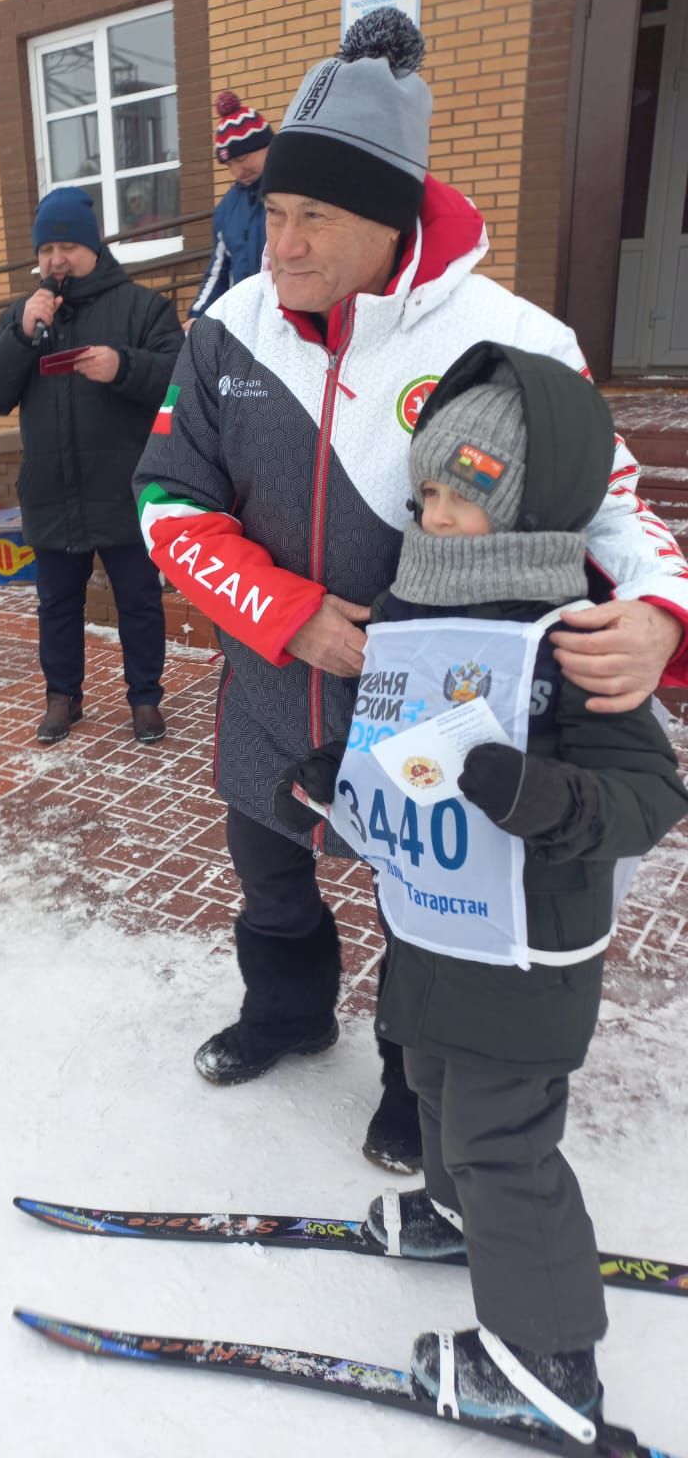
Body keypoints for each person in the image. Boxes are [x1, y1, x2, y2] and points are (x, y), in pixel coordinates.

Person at [132, 8, 688, 1171]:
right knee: (271, 875)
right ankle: (286, 1011)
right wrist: (286, 611)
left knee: (420, 912)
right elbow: (168, 504)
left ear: (390, 219)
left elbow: (616, 505)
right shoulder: (228, 331)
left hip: (443, 712)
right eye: (271, 213)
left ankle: (404, 1070)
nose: (279, 243)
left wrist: (654, 612)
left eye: (311, 218)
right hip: (274, 687)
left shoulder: (514, 337)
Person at [279, 342, 688, 1434]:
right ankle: (459, 1216)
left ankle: (551, 1360)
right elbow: (400, 757)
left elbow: (649, 792)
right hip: (432, 929)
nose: (437, 513)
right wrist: (342, 790)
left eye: (467, 491)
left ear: (527, 500)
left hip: (524, 946)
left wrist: (548, 801)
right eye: (428, 490)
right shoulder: (412, 614)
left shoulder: (572, 643)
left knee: (506, 1137)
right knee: (434, 1087)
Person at [0, 187, 184, 745]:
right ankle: (61, 698)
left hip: (123, 487)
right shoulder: (25, 314)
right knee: (56, 604)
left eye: (66, 245)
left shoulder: (142, 307)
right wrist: (20, 333)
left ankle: (145, 699)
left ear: (93, 248)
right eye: (45, 249)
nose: (54, 259)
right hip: (52, 488)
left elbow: (181, 381)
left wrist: (123, 366)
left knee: (138, 600)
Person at [185, 92, 272, 328]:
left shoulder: (293, 191)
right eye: (230, 164)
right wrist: (197, 315)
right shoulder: (226, 209)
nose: (237, 172)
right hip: (247, 324)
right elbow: (218, 270)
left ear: (266, 146)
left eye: (242, 158)